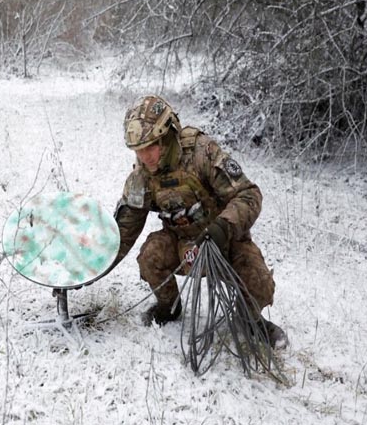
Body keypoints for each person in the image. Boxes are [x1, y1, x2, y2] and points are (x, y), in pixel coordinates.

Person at [113, 95, 288, 348]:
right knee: (150, 255)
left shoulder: (202, 153)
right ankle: (169, 307)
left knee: (259, 283)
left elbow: (249, 194)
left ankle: (249, 319)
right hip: (182, 244)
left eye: (150, 147)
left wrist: (222, 227)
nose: (144, 157)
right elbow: (124, 230)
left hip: (223, 240)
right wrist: (87, 271)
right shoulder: (142, 176)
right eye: (138, 150)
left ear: (167, 136)